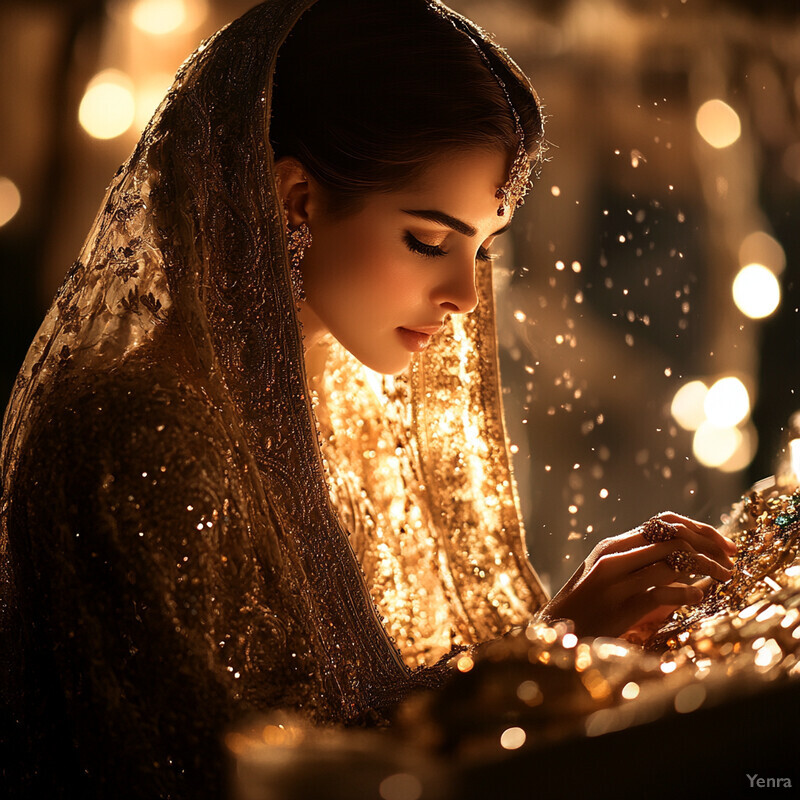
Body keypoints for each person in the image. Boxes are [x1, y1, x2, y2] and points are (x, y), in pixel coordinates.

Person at [0, 0, 736, 796]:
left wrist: (567, 646)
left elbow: (360, 713)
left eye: (483, 247)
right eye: (428, 240)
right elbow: (230, 775)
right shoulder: (132, 431)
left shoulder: (321, 418)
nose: (463, 293)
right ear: (297, 201)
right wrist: (547, 649)